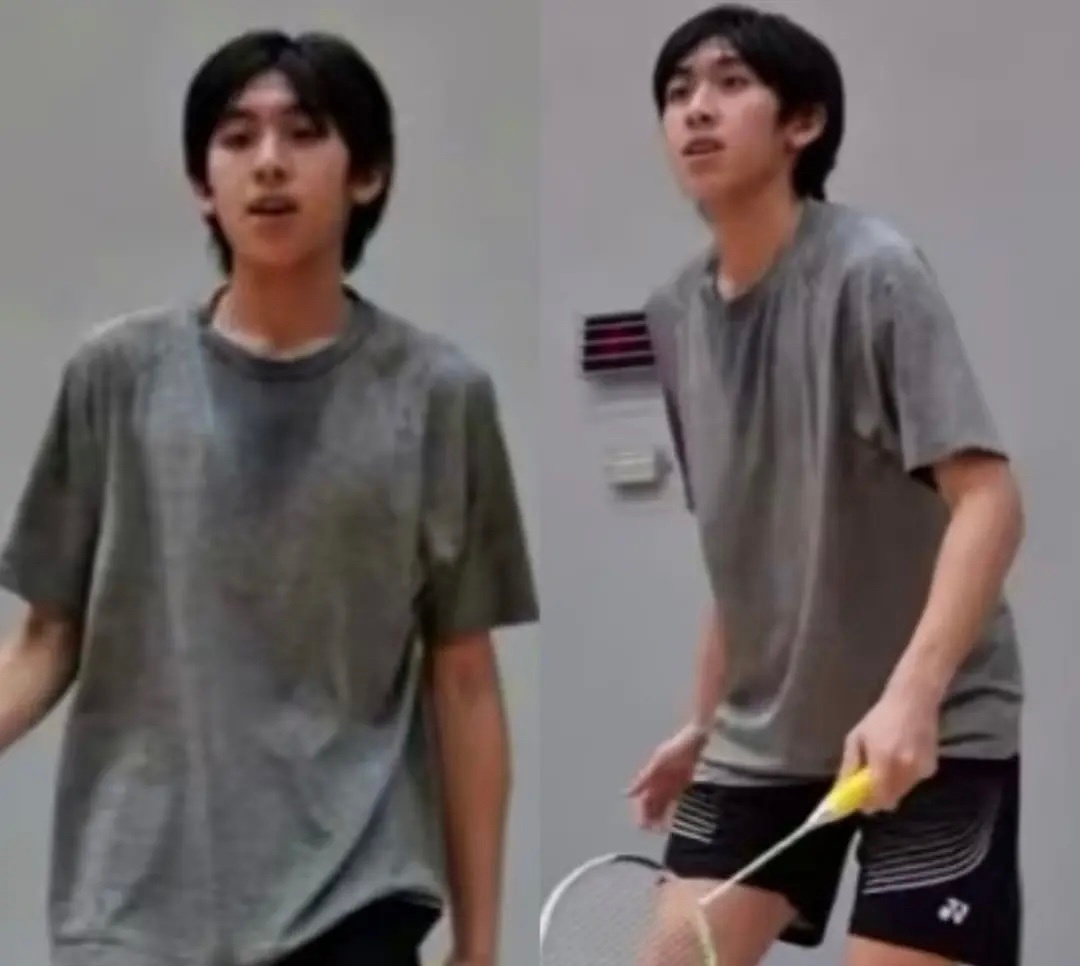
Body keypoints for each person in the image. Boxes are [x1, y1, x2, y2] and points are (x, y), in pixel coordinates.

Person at [0, 29, 537, 966]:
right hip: (130, 905)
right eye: (237, 137)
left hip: (354, 890)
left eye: (304, 132)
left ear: (366, 174)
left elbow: (464, 678)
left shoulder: (439, 396)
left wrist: (481, 945)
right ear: (201, 183)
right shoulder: (114, 377)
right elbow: (47, 640)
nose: (270, 163)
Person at [626, 6, 1025, 965]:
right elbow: (743, 547)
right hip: (761, 744)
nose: (696, 109)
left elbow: (990, 502)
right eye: (678, 92)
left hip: (930, 732)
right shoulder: (672, 316)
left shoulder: (873, 274)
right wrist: (704, 719)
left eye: (729, 84)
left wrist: (912, 697)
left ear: (802, 122)